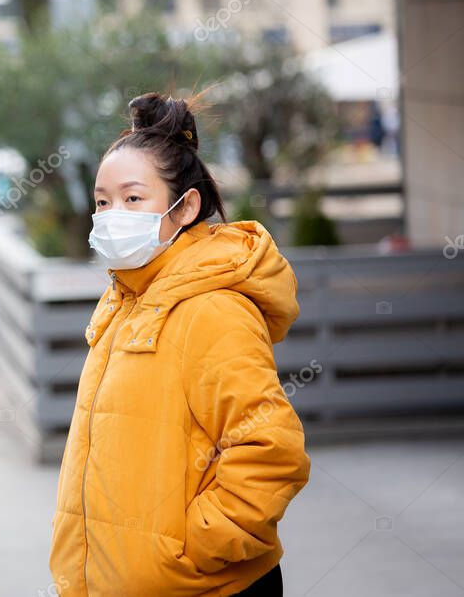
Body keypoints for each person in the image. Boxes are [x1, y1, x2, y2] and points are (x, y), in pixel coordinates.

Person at [49, 93, 310, 596]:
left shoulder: (212, 308)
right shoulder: (126, 302)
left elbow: (271, 449)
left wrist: (194, 553)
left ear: (185, 207)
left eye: (132, 198)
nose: (110, 214)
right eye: (102, 201)